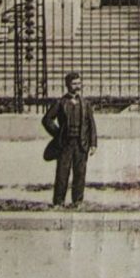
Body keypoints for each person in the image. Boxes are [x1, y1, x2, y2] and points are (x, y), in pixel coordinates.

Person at [42, 71, 97, 209]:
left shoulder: (85, 103)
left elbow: (91, 124)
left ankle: (77, 201)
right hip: (65, 143)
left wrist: (93, 143)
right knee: (62, 173)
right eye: (74, 83)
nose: (77, 86)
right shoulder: (61, 102)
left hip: (81, 143)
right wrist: (58, 133)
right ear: (67, 85)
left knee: (80, 173)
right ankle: (58, 202)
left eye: (79, 83)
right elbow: (47, 119)